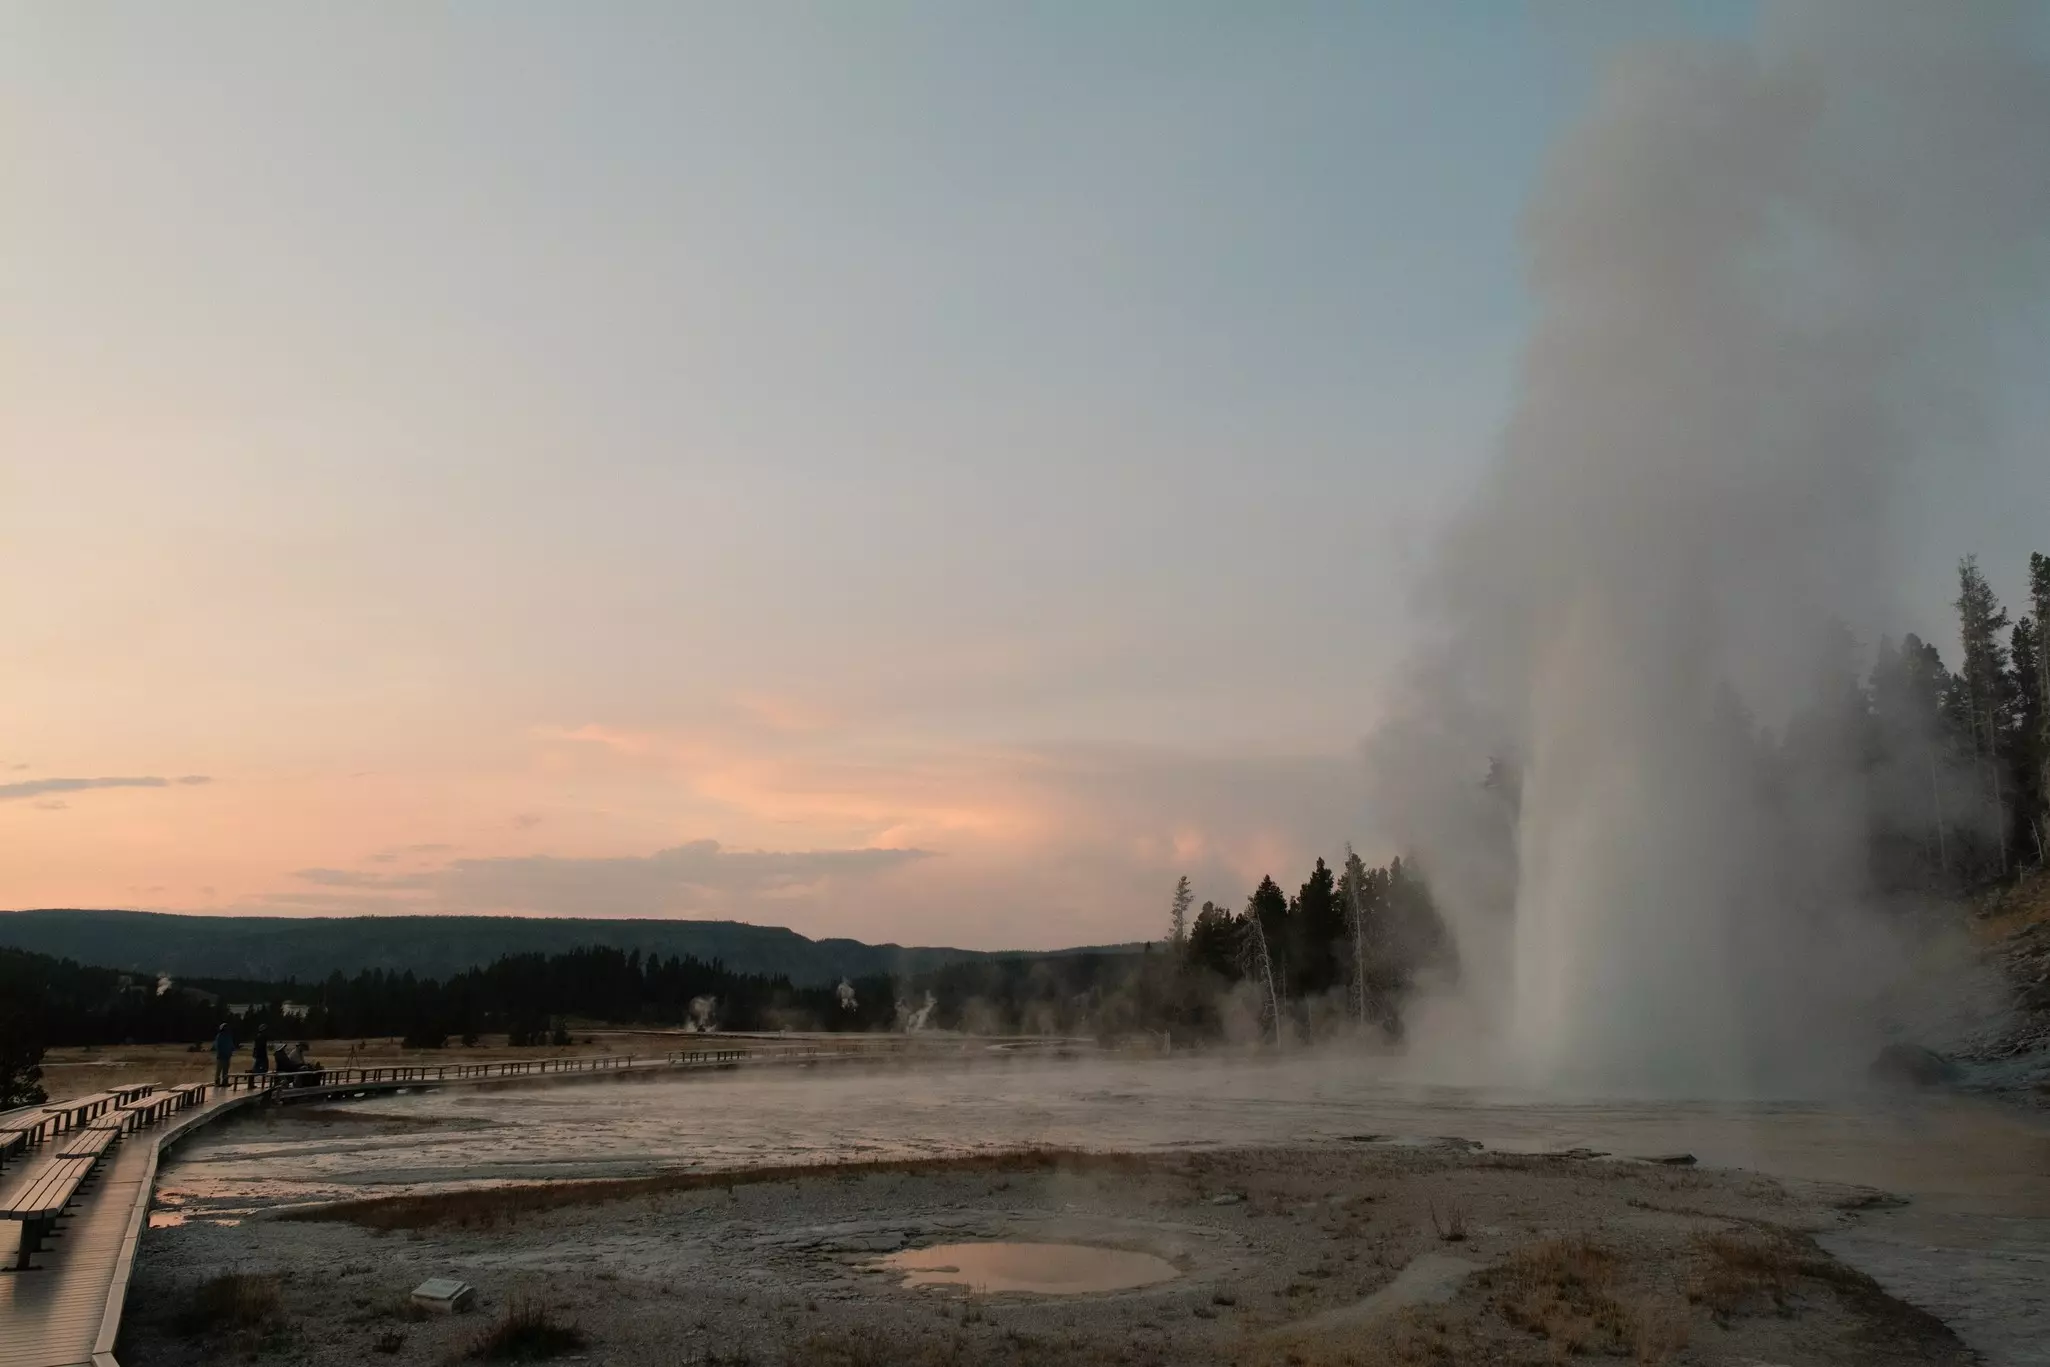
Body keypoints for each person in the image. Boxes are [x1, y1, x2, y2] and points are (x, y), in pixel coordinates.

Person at [211, 1023, 235, 1087]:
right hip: (221, 1056)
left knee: (226, 1070)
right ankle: (217, 1082)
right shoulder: (219, 1036)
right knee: (219, 1070)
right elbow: (217, 1045)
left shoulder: (229, 1036)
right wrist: (220, 1051)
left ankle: (225, 1082)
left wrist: (232, 1050)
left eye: (226, 1028)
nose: (226, 1029)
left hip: (227, 1056)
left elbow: (231, 1044)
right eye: (225, 1028)